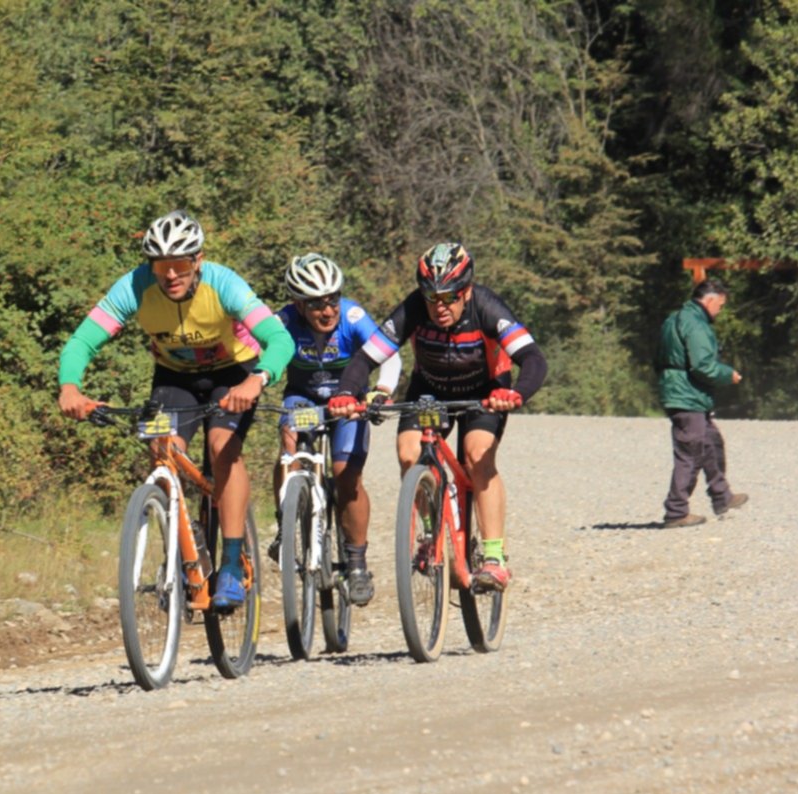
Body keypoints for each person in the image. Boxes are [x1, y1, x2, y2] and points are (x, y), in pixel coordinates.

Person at [58, 210, 295, 610]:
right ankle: (188, 552)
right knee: (161, 450)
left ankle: (233, 563)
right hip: (175, 378)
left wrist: (257, 379)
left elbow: (279, 339)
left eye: (181, 264)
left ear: (198, 260)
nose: (171, 275)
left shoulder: (224, 283)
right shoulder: (134, 286)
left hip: (232, 375)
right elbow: (82, 341)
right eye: (161, 266)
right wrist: (70, 388)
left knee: (223, 447)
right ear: (150, 266)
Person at [327, 241, 547, 593]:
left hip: (485, 392)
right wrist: (343, 393)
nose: (440, 306)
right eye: (432, 297)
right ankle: (430, 534)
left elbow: (534, 358)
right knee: (409, 454)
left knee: (477, 455)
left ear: (467, 290)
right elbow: (366, 358)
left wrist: (516, 393)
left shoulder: (487, 307)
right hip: (429, 392)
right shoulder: (414, 308)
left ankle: (493, 557)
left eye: (449, 296)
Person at [266, 253, 403, 606]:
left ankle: (356, 564)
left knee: (346, 476)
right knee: (289, 453)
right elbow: (253, 353)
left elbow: (390, 355)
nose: (327, 311)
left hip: (349, 401)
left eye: (333, 300)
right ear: (298, 304)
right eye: (315, 304)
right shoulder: (281, 321)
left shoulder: (354, 317)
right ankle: (286, 524)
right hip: (302, 398)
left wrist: (381, 392)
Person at [655, 277, 747, 528]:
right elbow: (702, 366)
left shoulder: (673, 319)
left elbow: (660, 358)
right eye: (721, 305)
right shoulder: (695, 324)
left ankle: (722, 496)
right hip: (688, 397)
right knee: (691, 453)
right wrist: (728, 374)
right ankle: (676, 512)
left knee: (711, 443)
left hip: (683, 394)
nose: (720, 310)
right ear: (709, 300)